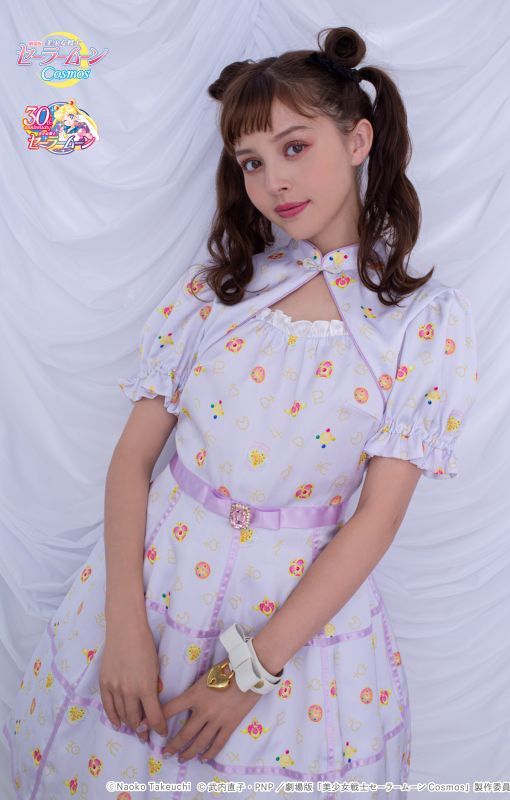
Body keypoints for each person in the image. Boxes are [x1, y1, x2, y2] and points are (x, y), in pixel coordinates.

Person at [3, 25, 479, 800]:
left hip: (298, 625)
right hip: (152, 585)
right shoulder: (216, 292)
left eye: (295, 147)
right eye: (251, 161)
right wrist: (123, 629)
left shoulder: (419, 324)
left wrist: (248, 673)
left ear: (357, 139)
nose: (272, 182)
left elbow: (375, 519)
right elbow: (133, 460)